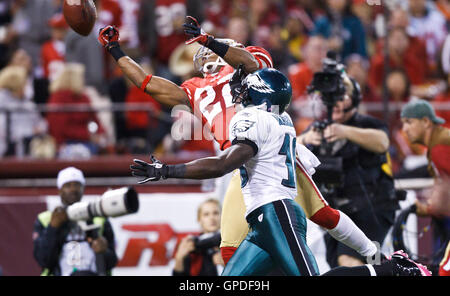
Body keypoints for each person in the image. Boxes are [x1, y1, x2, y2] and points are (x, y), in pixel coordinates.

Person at [97, 17, 378, 269]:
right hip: (238, 161)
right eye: (203, 50)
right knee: (230, 249)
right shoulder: (195, 88)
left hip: (270, 151)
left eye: (209, 49)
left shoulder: (247, 64)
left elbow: (251, 64)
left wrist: (211, 40)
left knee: (323, 214)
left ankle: (375, 256)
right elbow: (148, 83)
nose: (204, 54)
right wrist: (115, 50)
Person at [130, 68, 430, 277]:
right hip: (263, 219)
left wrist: (166, 170)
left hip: (277, 211)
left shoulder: (252, 119)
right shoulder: (281, 119)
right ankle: (384, 263)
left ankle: (392, 269)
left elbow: (224, 164)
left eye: (248, 89)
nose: (240, 92)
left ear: (260, 97)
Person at [297, 74, 400, 268]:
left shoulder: (366, 123)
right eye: (332, 97)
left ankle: (391, 269)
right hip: (338, 212)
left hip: (372, 207)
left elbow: (382, 141)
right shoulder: (317, 128)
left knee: (350, 262)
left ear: (354, 100)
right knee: (340, 265)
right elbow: (288, 146)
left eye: (342, 96)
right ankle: (391, 270)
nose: (336, 102)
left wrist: (345, 131)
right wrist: (306, 139)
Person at [32, 167, 118, 276]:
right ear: (60, 190)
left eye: (77, 185)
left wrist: (104, 252)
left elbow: (112, 262)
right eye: (68, 185)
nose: (73, 189)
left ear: (83, 188)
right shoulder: (45, 219)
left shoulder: (98, 218)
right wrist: (53, 228)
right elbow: (44, 261)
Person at [400, 99, 450, 276]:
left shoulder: (440, 146)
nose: (404, 129)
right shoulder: (439, 143)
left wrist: (429, 207)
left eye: (409, 122)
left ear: (426, 122)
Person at [173, 198, 223, 276]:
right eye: (206, 214)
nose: (212, 218)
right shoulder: (191, 246)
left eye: (215, 213)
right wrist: (179, 258)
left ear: (222, 216)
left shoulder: (231, 242)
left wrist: (227, 265)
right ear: (199, 220)